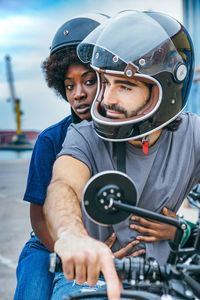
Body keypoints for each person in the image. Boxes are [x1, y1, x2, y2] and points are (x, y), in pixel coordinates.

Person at [44, 10, 197, 300]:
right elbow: (63, 185)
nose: (106, 99)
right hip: (90, 278)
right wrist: (72, 235)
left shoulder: (193, 134)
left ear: (163, 90)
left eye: (124, 86)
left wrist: (184, 230)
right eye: (105, 82)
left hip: (167, 280)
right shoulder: (85, 133)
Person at [13, 13, 110, 300]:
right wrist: (71, 251)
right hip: (49, 244)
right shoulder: (50, 140)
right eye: (69, 85)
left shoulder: (127, 138)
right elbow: (38, 217)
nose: (78, 94)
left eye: (89, 81)